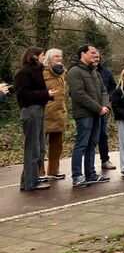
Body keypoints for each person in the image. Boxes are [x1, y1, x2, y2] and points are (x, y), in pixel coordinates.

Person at [66, 44, 111, 187]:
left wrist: (105, 106)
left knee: (92, 144)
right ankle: (77, 176)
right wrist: (98, 108)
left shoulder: (95, 72)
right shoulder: (74, 72)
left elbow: (104, 91)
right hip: (84, 114)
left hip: (98, 114)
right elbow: (79, 95)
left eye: (96, 52)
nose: (95, 55)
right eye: (92, 52)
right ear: (82, 54)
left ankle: (90, 174)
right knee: (81, 144)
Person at [14, 47, 56, 191]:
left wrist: (46, 95)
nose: (45, 57)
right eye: (43, 55)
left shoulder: (37, 71)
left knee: (39, 148)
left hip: (38, 110)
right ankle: (30, 183)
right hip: (31, 111)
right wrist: (45, 94)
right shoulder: (25, 72)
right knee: (33, 148)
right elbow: (23, 95)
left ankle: (28, 181)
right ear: (35, 56)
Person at [42, 48, 68, 181]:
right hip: (44, 113)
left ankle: (54, 170)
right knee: (40, 145)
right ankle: (39, 172)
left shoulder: (62, 73)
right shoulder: (42, 73)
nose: (59, 58)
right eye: (56, 56)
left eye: (60, 56)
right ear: (49, 58)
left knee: (57, 146)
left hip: (59, 113)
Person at [96, 53, 116, 170]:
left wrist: (108, 98)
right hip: (89, 109)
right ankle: (87, 166)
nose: (96, 58)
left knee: (103, 135)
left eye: (98, 56)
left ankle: (105, 160)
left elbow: (113, 87)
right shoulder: (81, 71)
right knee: (88, 138)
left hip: (103, 108)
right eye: (93, 55)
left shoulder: (106, 72)